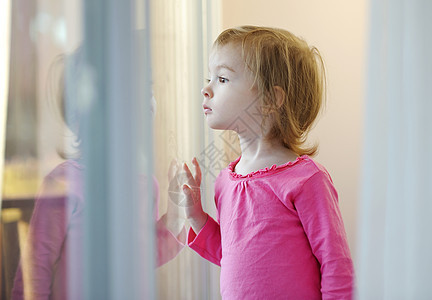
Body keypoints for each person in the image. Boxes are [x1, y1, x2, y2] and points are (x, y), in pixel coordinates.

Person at [178, 26, 354, 299]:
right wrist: (197, 217)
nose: (206, 89)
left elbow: (336, 265)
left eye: (222, 79)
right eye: (209, 78)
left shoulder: (307, 180)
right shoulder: (226, 181)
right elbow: (232, 256)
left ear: (271, 99)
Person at [11, 48, 186, 300]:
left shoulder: (147, 185)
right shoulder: (64, 182)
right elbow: (34, 274)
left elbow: (145, 258)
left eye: (148, 86)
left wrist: (177, 208)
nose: (147, 97)